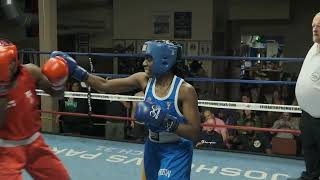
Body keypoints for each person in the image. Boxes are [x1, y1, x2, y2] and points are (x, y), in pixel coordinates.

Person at [52, 40, 201, 180]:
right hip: (152, 146)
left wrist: (165, 121)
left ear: (164, 60)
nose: (144, 63)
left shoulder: (185, 91)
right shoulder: (143, 79)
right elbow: (104, 85)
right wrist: (76, 71)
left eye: (149, 59)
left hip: (176, 150)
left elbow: (194, 133)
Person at [0, 39, 70, 179]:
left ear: (15, 58)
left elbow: (58, 94)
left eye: (11, 62)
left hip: (34, 144)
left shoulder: (30, 71)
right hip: (6, 150)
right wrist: (3, 91)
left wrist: (60, 79)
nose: (10, 66)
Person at [292, 12, 320, 180]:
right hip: (308, 115)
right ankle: (310, 177)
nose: (315, 29)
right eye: (313, 26)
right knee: (310, 151)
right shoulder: (314, 47)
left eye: (319, 26)